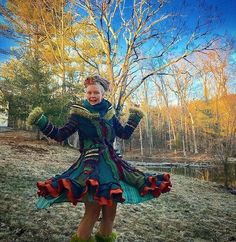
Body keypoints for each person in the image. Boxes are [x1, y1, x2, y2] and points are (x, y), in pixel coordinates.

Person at [27, 75, 171, 242]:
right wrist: (41, 121)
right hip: (91, 168)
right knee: (93, 213)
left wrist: (134, 117)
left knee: (110, 213)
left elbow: (123, 134)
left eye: (96, 92)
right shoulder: (79, 114)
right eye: (89, 92)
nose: (92, 96)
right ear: (85, 93)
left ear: (103, 93)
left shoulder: (109, 112)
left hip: (112, 165)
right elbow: (60, 135)